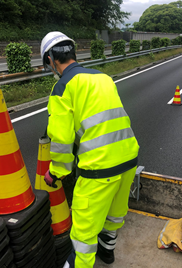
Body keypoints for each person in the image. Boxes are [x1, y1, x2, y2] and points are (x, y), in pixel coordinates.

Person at [41, 32, 139, 268]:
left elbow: (62, 141)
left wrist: (56, 172)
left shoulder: (62, 88)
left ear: (52, 60)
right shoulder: (103, 78)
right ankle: (107, 253)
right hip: (128, 158)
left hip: (98, 168)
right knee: (114, 215)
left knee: (83, 237)